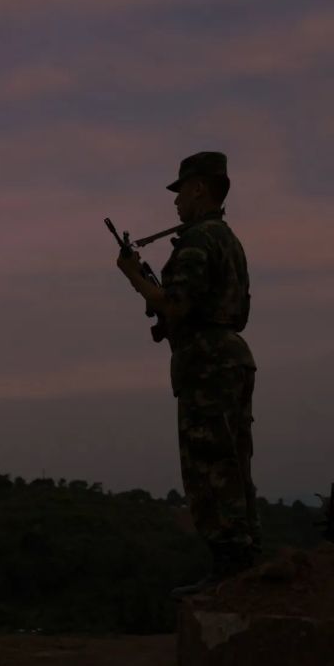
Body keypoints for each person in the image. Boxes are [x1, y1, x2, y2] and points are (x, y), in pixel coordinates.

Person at [116, 151, 260, 596]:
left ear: (199, 187)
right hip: (231, 355)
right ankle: (242, 557)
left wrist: (133, 278)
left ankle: (229, 565)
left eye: (181, 193)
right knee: (233, 461)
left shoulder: (198, 241)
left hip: (207, 363)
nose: (176, 204)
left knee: (208, 463)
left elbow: (176, 304)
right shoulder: (228, 239)